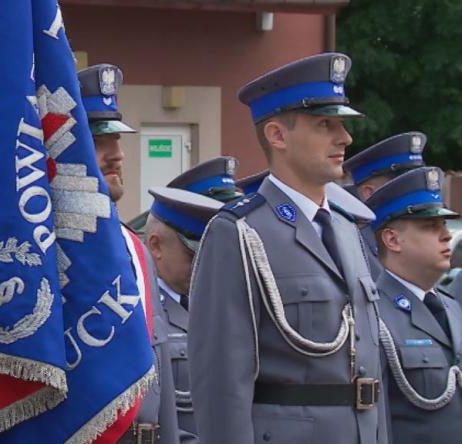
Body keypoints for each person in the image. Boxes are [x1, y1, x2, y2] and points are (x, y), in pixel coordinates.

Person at [188, 53, 389, 443]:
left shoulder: (348, 231)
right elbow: (221, 383)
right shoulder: (240, 233)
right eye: (324, 125)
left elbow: (372, 377)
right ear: (277, 135)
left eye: (342, 125)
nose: (345, 138)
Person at [78, 63, 178, 443]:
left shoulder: (133, 247)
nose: (117, 154)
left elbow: (160, 371)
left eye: (116, 141)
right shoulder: (42, 254)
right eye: (99, 141)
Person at [364, 166, 462, 444]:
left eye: (444, 225)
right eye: (431, 227)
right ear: (392, 240)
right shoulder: (372, 313)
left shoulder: (451, 307)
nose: (446, 236)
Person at [144, 184, 223, 443]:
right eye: (193, 256)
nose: (203, 266)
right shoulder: (141, 313)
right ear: (155, 246)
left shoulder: (213, 303)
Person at [343, 132, 427, 279]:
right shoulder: (345, 238)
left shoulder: (408, 235)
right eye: (405, 186)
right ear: (369, 193)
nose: (414, 193)